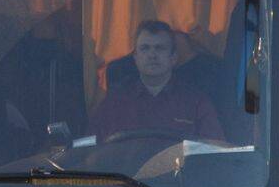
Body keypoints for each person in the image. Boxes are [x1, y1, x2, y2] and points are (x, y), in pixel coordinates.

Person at [91, 19, 224, 142]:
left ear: (173, 58)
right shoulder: (115, 101)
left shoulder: (196, 102)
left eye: (160, 48)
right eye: (145, 48)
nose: (152, 55)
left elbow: (214, 153)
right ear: (135, 58)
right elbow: (91, 151)